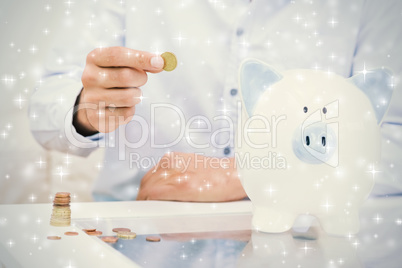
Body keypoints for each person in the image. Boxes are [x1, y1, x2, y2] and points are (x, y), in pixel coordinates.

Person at [30, 0, 402, 202]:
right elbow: (47, 104)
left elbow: (393, 138)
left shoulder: (374, 7)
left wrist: (252, 174)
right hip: (138, 238)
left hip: (306, 243)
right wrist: (86, 108)